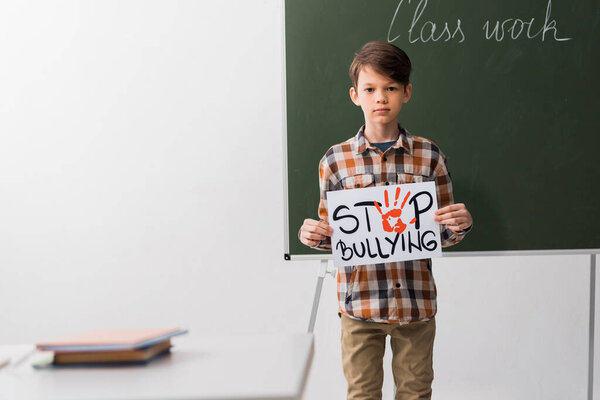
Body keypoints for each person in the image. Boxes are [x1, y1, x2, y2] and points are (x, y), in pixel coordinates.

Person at [299, 41, 473, 400]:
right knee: (362, 394)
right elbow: (335, 236)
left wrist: (459, 225)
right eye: (371, 89)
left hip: (415, 304)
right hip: (359, 305)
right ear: (355, 95)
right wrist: (313, 234)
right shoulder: (335, 161)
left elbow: (441, 231)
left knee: (416, 393)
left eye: (391, 88)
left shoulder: (429, 156)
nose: (381, 97)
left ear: (406, 92)